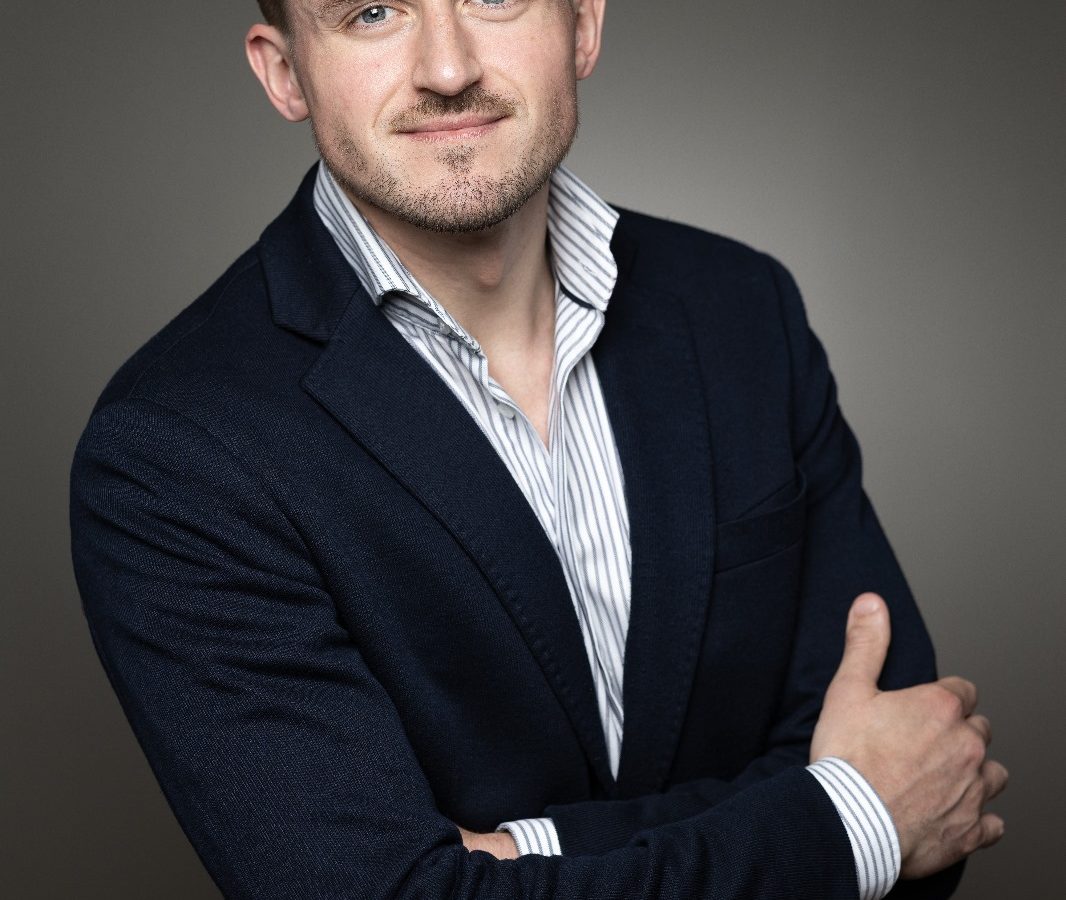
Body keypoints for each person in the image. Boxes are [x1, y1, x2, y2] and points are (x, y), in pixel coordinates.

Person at [69, 2, 1007, 898]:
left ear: (583, 25)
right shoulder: (175, 451)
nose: (448, 69)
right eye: (371, 13)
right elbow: (888, 807)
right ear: (285, 73)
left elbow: (930, 780)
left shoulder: (741, 308)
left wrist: (522, 855)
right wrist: (851, 827)